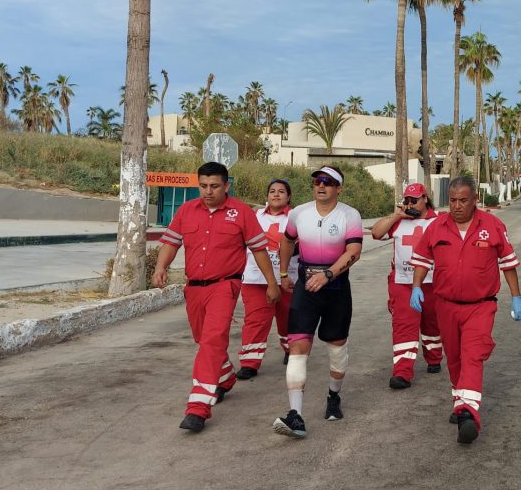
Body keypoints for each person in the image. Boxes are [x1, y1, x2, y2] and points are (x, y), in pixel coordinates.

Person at [152, 161, 280, 433]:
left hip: (225, 286)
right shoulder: (186, 210)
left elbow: (259, 250)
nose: (208, 191)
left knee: (211, 340)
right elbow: (171, 243)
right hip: (194, 288)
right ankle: (224, 377)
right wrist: (160, 268)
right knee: (204, 339)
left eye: (214, 186)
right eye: (203, 186)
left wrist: (272, 283)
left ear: (226, 186)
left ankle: (198, 408)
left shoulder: (242, 212)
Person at [409, 176, 521, 445]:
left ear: (475, 200)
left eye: (463, 200)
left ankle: (468, 413)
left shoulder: (493, 226)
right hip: (446, 306)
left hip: (481, 306)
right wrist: (416, 286)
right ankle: (459, 400)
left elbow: (508, 264)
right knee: (455, 358)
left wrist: (517, 297)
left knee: (473, 354)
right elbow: (422, 260)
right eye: (452, 200)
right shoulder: (437, 227)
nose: (457, 206)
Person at [272, 165, 363, 439]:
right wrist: (285, 272)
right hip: (305, 290)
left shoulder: (350, 215)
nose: (320, 186)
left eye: (327, 182)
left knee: (336, 347)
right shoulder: (299, 213)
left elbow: (354, 251)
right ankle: (295, 415)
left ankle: (333, 397)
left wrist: (328, 274)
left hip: (336, 289)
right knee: (298, 346)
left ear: (339, 188)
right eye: (316, 181)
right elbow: (287, 241)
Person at [370, 182, 442, 389]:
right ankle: (402, 372)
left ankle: (434, 356)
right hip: (402, 282)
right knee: (404, 325)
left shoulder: (439, 221)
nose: (410, 203)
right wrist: (397, 216)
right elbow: (376, 233)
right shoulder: (398, 222)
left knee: (432, 323)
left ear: (425, 199)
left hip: (432, 283)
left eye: (414, 200)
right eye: (406, 200)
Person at [236, 179, 298, 379]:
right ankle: (249, 363)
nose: (276, 194)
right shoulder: (254, 217)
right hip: (255, 278)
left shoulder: (296, 218)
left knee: (288, 318)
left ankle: (291, 350)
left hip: (288, 278)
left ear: (289, 197)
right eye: (272, 191)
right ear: (267, 196)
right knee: (255, 321)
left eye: (281, 191)